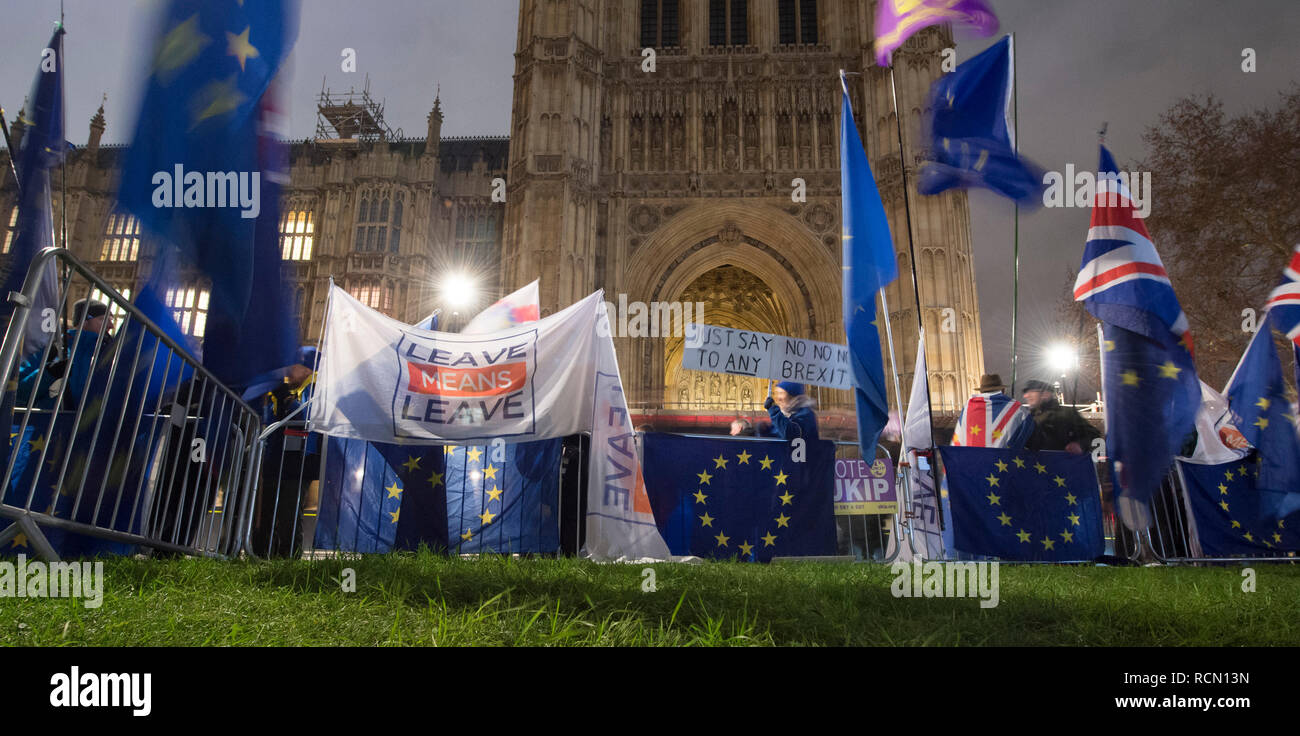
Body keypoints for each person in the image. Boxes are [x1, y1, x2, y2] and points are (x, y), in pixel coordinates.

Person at [951, 374, 1033, 449]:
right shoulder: (1018, 409)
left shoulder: (968, 408)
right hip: (1004, 463)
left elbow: (958, 441)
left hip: (973, 463)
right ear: (1003, 390)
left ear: (981, 391)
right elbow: (1029, 437)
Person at [1020, 379, 1101, 454]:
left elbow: (1093, 435)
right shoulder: (1027, 418)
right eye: (1026, 393)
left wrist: (1080, 445)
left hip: (1063, 466)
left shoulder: (1067, 414)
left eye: (1031, 392)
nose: (1026, 396)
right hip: (1033, 466)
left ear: (1045, 394)